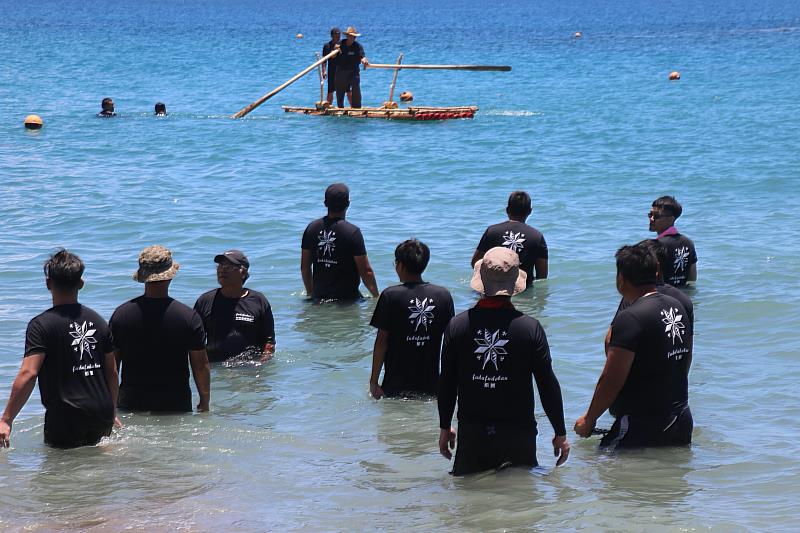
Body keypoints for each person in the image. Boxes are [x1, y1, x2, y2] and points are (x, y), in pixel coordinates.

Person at [438, 247, 570, 475]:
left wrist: (444, 426)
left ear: (481, 280)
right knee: (519, 504)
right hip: (518, 432)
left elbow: (447, 381)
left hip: (473, 432)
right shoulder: (530, 328)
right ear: (514, 284)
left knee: (468, 505)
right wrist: (560, 432)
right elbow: (546, 383)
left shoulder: (457, 326)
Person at [575, 245, 693, 449]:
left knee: (602, 470)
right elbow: (686, 360)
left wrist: (589, 419)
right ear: (656, 272)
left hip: (643, 423)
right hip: (681, 417)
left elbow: (611, 379)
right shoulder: (678, 306)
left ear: (621, 279)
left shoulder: (630, 318)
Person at [0, 250, 119, 448]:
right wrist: (111, 411)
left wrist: (6, 419)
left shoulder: (41, 325)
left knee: (60, 475)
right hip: (101, 414)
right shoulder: (99, 322)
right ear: (81, 283)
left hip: (66, 417)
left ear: (48, 283)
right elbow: (112, 373)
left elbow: (29, 373)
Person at [110, 245, 210, 412]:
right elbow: (200, 365)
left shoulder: (121, 315)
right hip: (175, 403)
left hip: (131, 402)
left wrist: (109, 403)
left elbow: (113, 364)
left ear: (143, 276)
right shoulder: (188, 317)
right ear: (171, 276)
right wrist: (205, 400)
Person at [369, 240, 455, 398]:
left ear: (400, 265)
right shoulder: (443, 295)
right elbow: (450, 342)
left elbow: (382, 341)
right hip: (431, 385)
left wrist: (373, 382)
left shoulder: (390, 295)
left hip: (395, 386)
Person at [194, 250, 275, 363]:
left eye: (229, 267)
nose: (222, 270)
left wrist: (263, 362)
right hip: (216, 367)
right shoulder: (205, 301)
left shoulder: (258, 301)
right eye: (220, 266)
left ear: (243, 273)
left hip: (249, 365)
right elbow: (193, 338)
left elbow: (269, 340)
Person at [301, 183, 379, 301]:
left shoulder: (311, 229)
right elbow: (366, 272)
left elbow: (305, 267)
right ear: (348, 204)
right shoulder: (352, 232)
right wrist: (376, 298)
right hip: (347, 300)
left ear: (325, 203)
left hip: (319, 298)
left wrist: (311, 293)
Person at [471, 191, 548, 287]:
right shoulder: (537, 237)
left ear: (507, 210)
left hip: (493, 288)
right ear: (530, 211)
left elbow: (475, 263)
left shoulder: (492, 231)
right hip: (523, 290)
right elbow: (542, 277)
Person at [649, 196, 697, 287]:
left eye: (656, 216)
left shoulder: (655, 245)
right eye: (650, 215)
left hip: (662, 296)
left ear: (670, 219)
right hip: (683, 296)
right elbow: (692, 278)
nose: (651, 219)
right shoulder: (688, 243)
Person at [334, 26, 368, 108]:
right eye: (349, 36)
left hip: (354, 71)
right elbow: (333, 56)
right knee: (340, 90)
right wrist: (335, 50)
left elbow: (362, 56)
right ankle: (340, 107)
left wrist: (364, 60)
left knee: (356, 88)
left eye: (353, 36)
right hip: (341, 70)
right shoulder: (340, 44)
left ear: (355, 37)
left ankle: (356, 108)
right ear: (347, 36)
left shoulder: (358, 46)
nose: (351, 37)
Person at [322, 27, 350, 106]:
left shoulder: (343, 44)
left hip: (343, 71)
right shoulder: (327, 46)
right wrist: (324, 71)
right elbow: (324, 60)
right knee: (330, 91)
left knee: (348, 90)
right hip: (332, 71)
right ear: (332, 35)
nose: (338, 36)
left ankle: (354, 107)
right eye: (336, 34)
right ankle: (328, 106)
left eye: (339, 34)